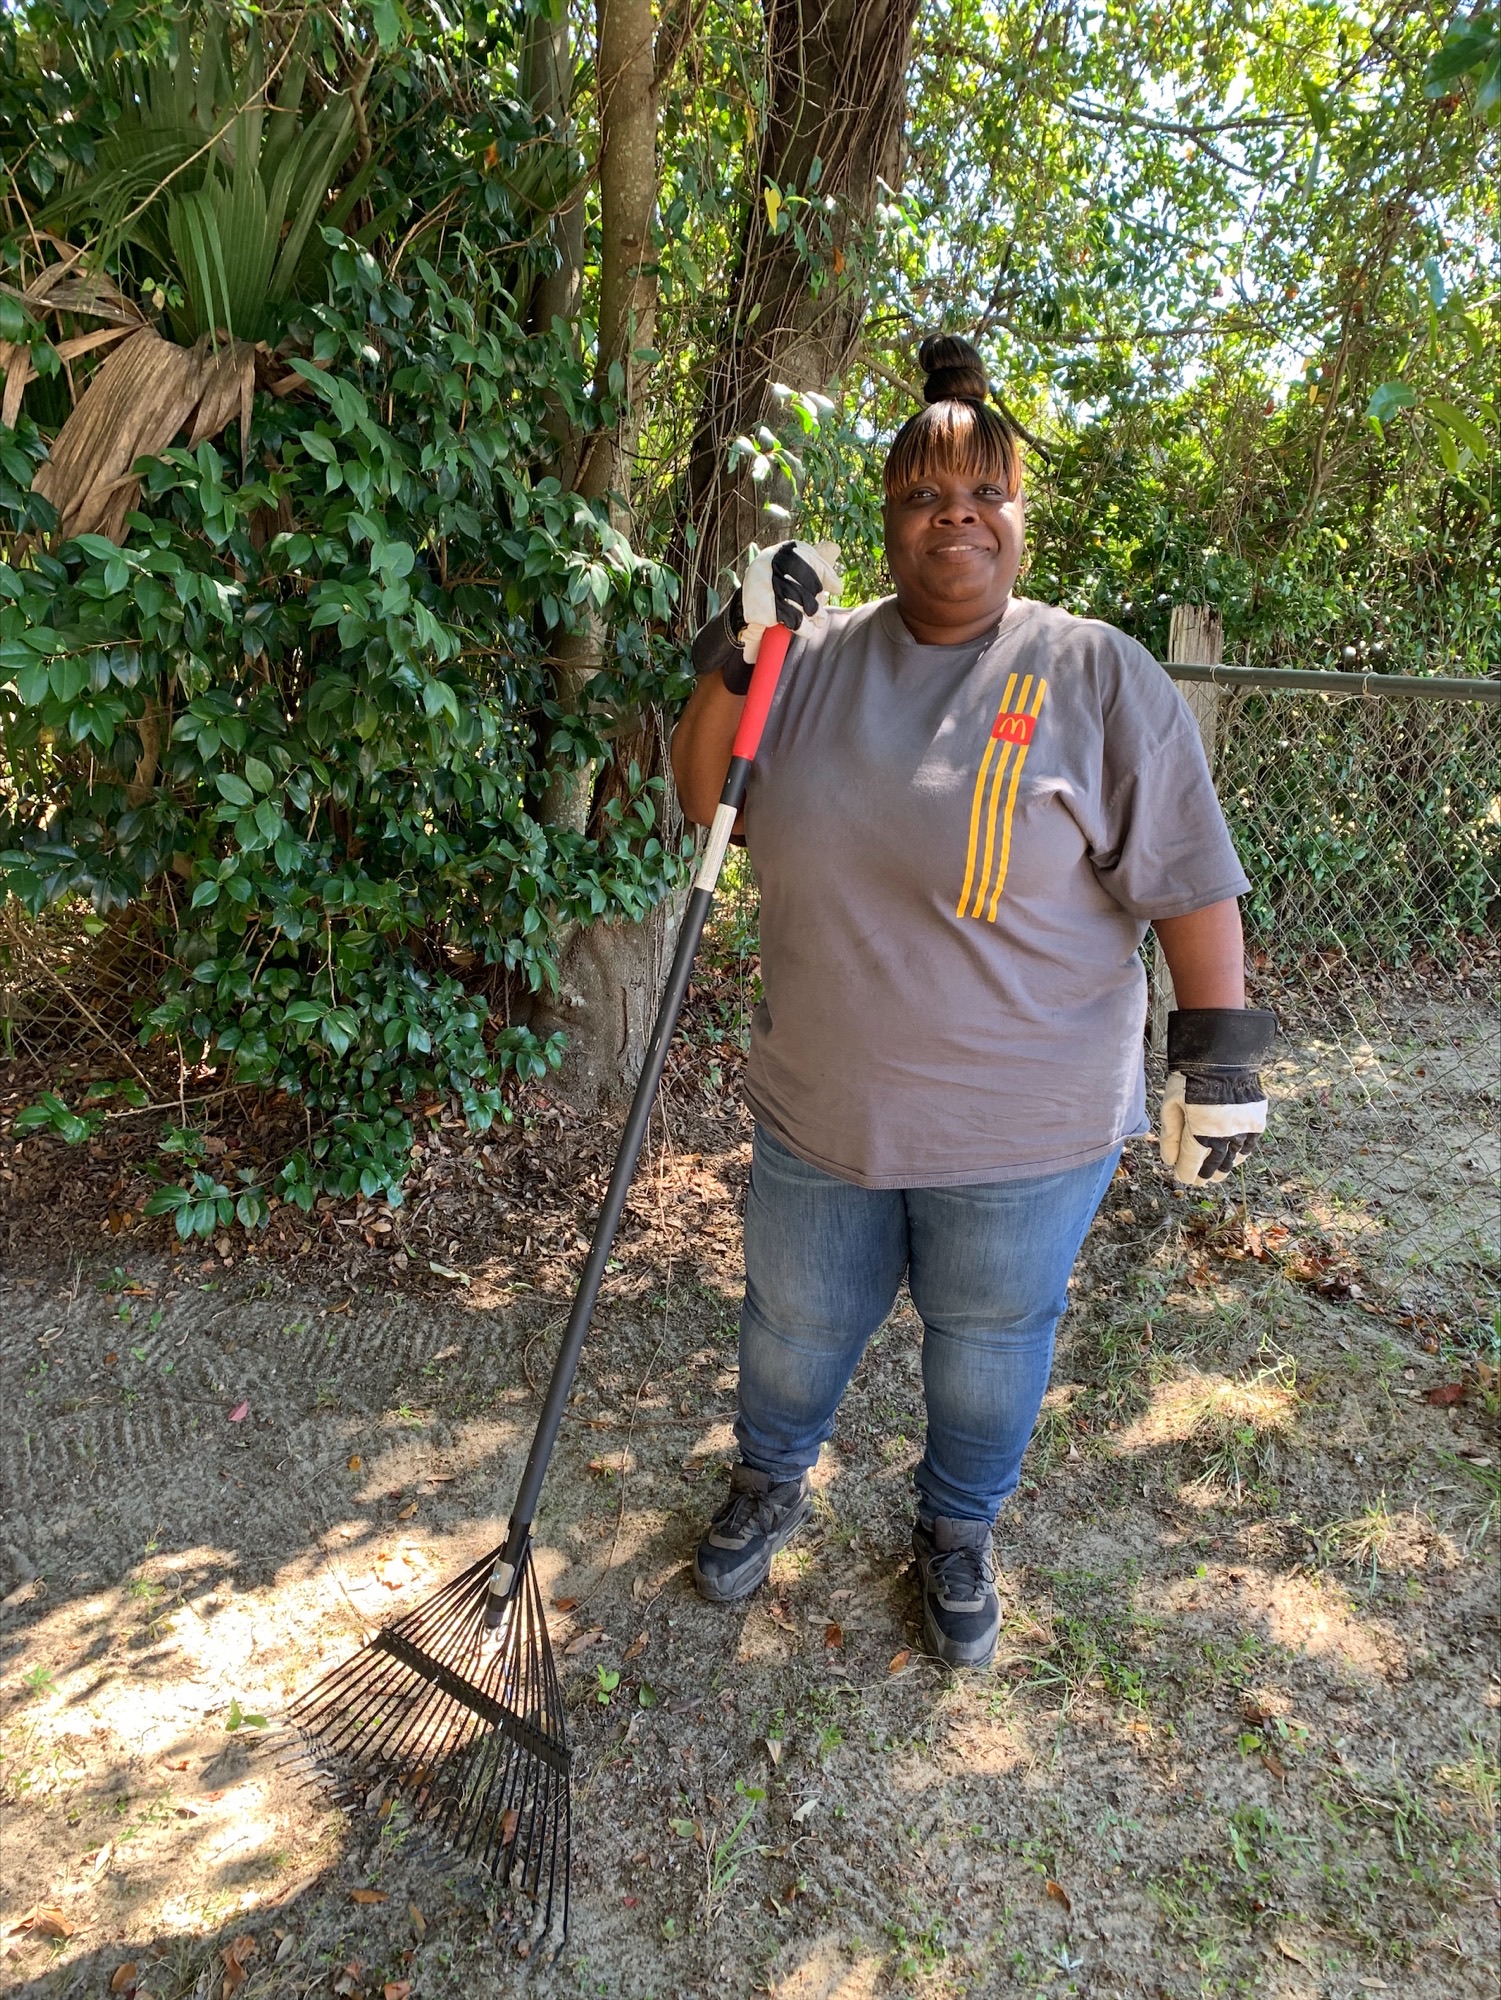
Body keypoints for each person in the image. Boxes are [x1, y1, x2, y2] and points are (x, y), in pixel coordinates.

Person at [670, 335, 1274, 1668]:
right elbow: (698, 793)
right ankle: (766, 1480)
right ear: (886, 523)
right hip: (822, 1108)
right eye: (923, 498)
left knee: (987, 1351)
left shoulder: (1096, 673)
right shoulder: (811, 657)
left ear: (1020, 517)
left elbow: (1185, 877)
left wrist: (1216, 1052)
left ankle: (954, 1531)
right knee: (790, 1330)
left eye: (985, 494)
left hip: (1023, 1131)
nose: (957, 519)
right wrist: (736, 649)